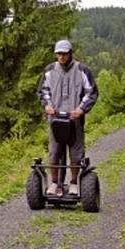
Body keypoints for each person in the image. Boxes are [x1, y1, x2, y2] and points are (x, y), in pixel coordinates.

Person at [37, 39, 98, 197]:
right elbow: (43, 91)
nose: (62, 57)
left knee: (76, 153)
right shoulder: (50, 70)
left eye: (64, 53)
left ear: (70, 53)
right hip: (55, 118)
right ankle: (55, 182)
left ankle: (73, 184)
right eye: (59, 54)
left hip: (74, 119)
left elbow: (91, 92)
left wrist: (81, 109)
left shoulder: (82, 70)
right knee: (54, 152)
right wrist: (47, 106)